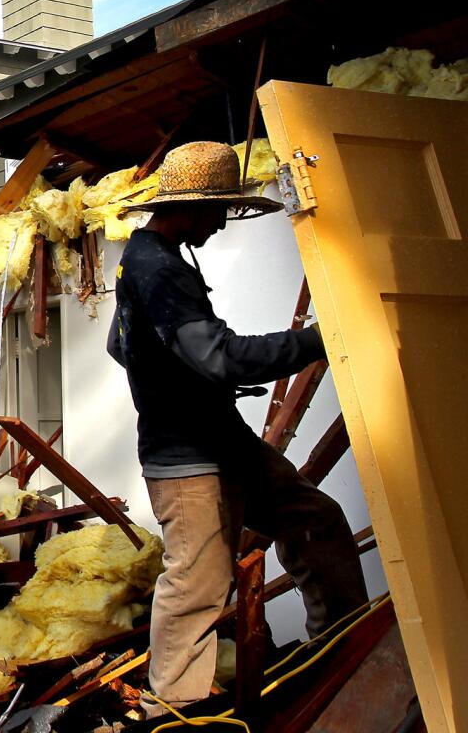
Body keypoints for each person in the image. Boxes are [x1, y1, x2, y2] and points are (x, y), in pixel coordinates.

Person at [106, 140, 368, 712]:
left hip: (224, 444)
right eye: (220, 208)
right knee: (198, 586)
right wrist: (320, 337)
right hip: (188, 460)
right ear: (193, 206)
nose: (223, 221)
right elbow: (219, 356)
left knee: (316, 521)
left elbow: (122, 346)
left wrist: (190, 382)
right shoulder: (157, 267)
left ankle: (344, 650)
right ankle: (175, 712)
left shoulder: (147, 258)